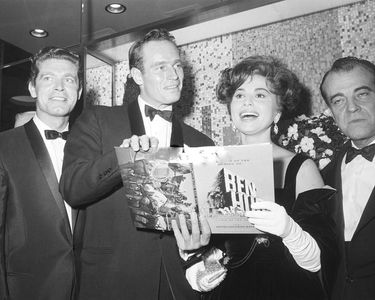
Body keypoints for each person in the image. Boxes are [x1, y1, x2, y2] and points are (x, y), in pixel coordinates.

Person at [59, 28, 214, 300]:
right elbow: (73, 189)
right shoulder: (97, 120)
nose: (174, 75)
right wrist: (123, 159)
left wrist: (198, 246)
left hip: (177, 286)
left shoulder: (201, 142)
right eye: (161, 67)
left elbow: (211, 221)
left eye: (177, 65)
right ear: (137, 75)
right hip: (111, 282)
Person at [178, 55, 339, 300]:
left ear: (278, 111)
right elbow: (221, 256)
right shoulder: (212, 168)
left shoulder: (301, 168)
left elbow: (320, 262)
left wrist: (289, 230)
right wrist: (199, 260)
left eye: (260, 95)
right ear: (230, 108)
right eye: (239, 95)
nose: (247, 102)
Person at [0, 46, 82, 299]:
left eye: (68, 80)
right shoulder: (4, 147)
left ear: (78, 92)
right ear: (32, 88)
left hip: (88, 287)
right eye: (48, 78)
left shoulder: (93, 147)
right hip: (27, 290)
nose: (60, 87)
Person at [320, 56, 375, 300]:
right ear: (331, 112)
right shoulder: (321, 178)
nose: (351, 107)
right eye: (338, 100)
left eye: (362, 94)